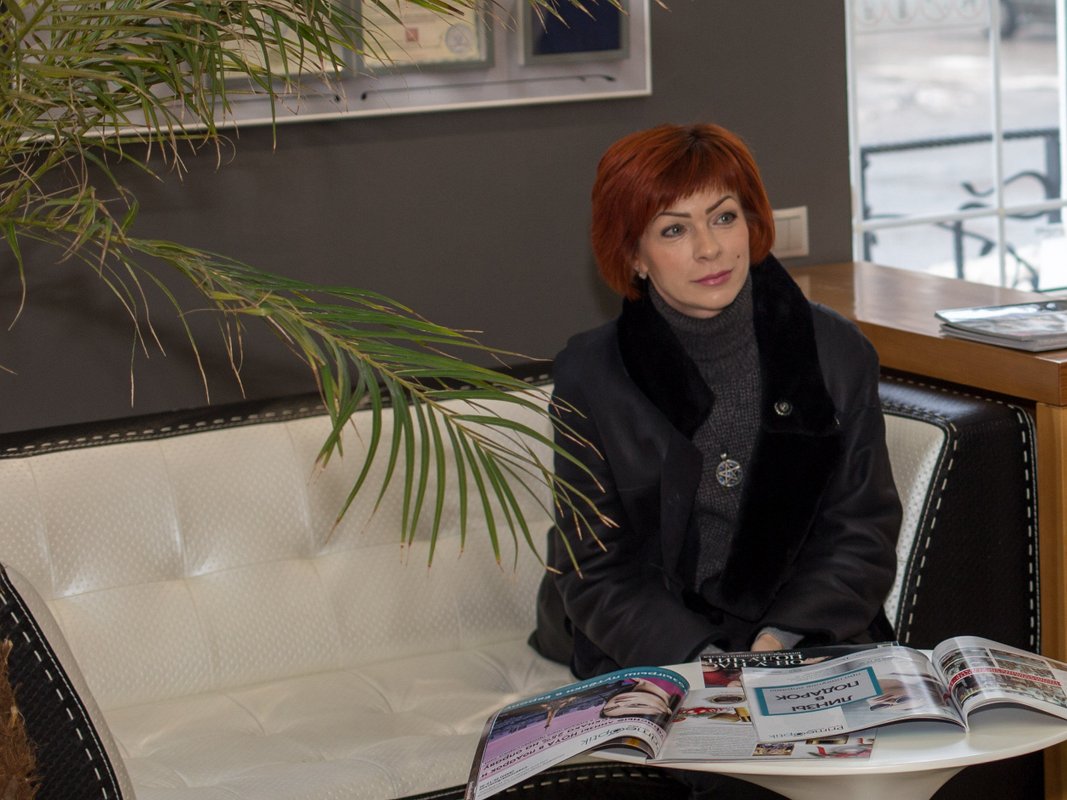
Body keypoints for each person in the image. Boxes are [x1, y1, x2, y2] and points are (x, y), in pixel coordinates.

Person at [531, 122, 902, 683]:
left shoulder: (835, 352)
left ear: (751, 224)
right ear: (634, 255)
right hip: (657, 646)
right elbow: (595, 568)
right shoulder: (591, 375)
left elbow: (861, 533)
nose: (709, 249)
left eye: (724, 217)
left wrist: (776, 646)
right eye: (674, 229)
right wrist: (706, 666)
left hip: (806, 634)